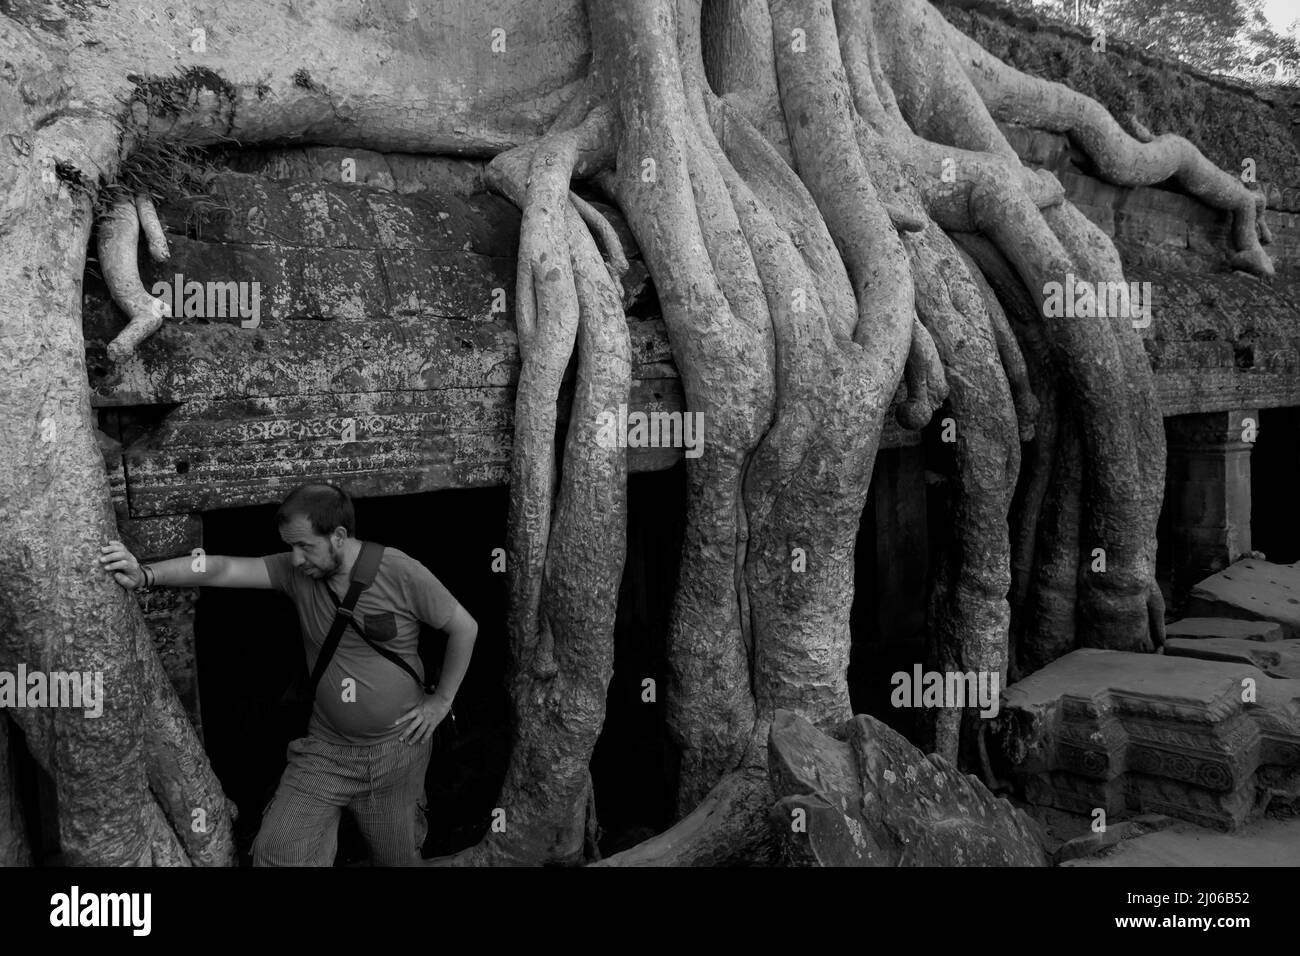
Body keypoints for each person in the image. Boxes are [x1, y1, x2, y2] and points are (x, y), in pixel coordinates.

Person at [98, 481, 478, 866]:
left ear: (339, 536)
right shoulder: (298, 572)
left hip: (397, 753)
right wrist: (145, 574)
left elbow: (464, 627)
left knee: (398, 859)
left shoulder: (399, 571)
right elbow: (221, 568)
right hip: (327, 750)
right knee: (277, 852)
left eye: (304, 546)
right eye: (290, 546)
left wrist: (440, 700)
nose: (295, 559)